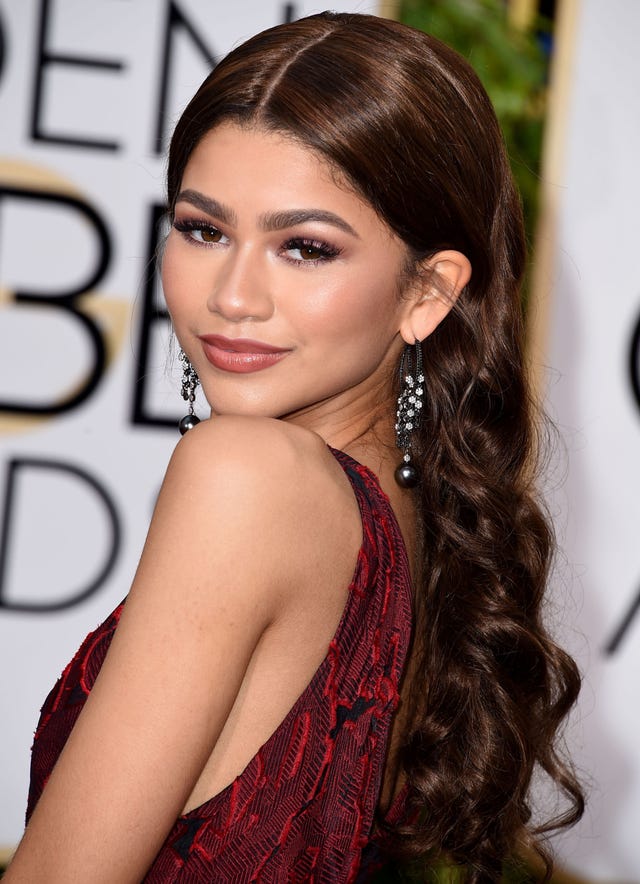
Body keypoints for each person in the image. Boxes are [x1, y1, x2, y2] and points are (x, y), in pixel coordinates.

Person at [5, 11, 583, 883]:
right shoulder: (413, 529)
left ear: (427, 292)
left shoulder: (247, 475)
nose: (233, 295)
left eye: (305, 248)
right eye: (203, 230)